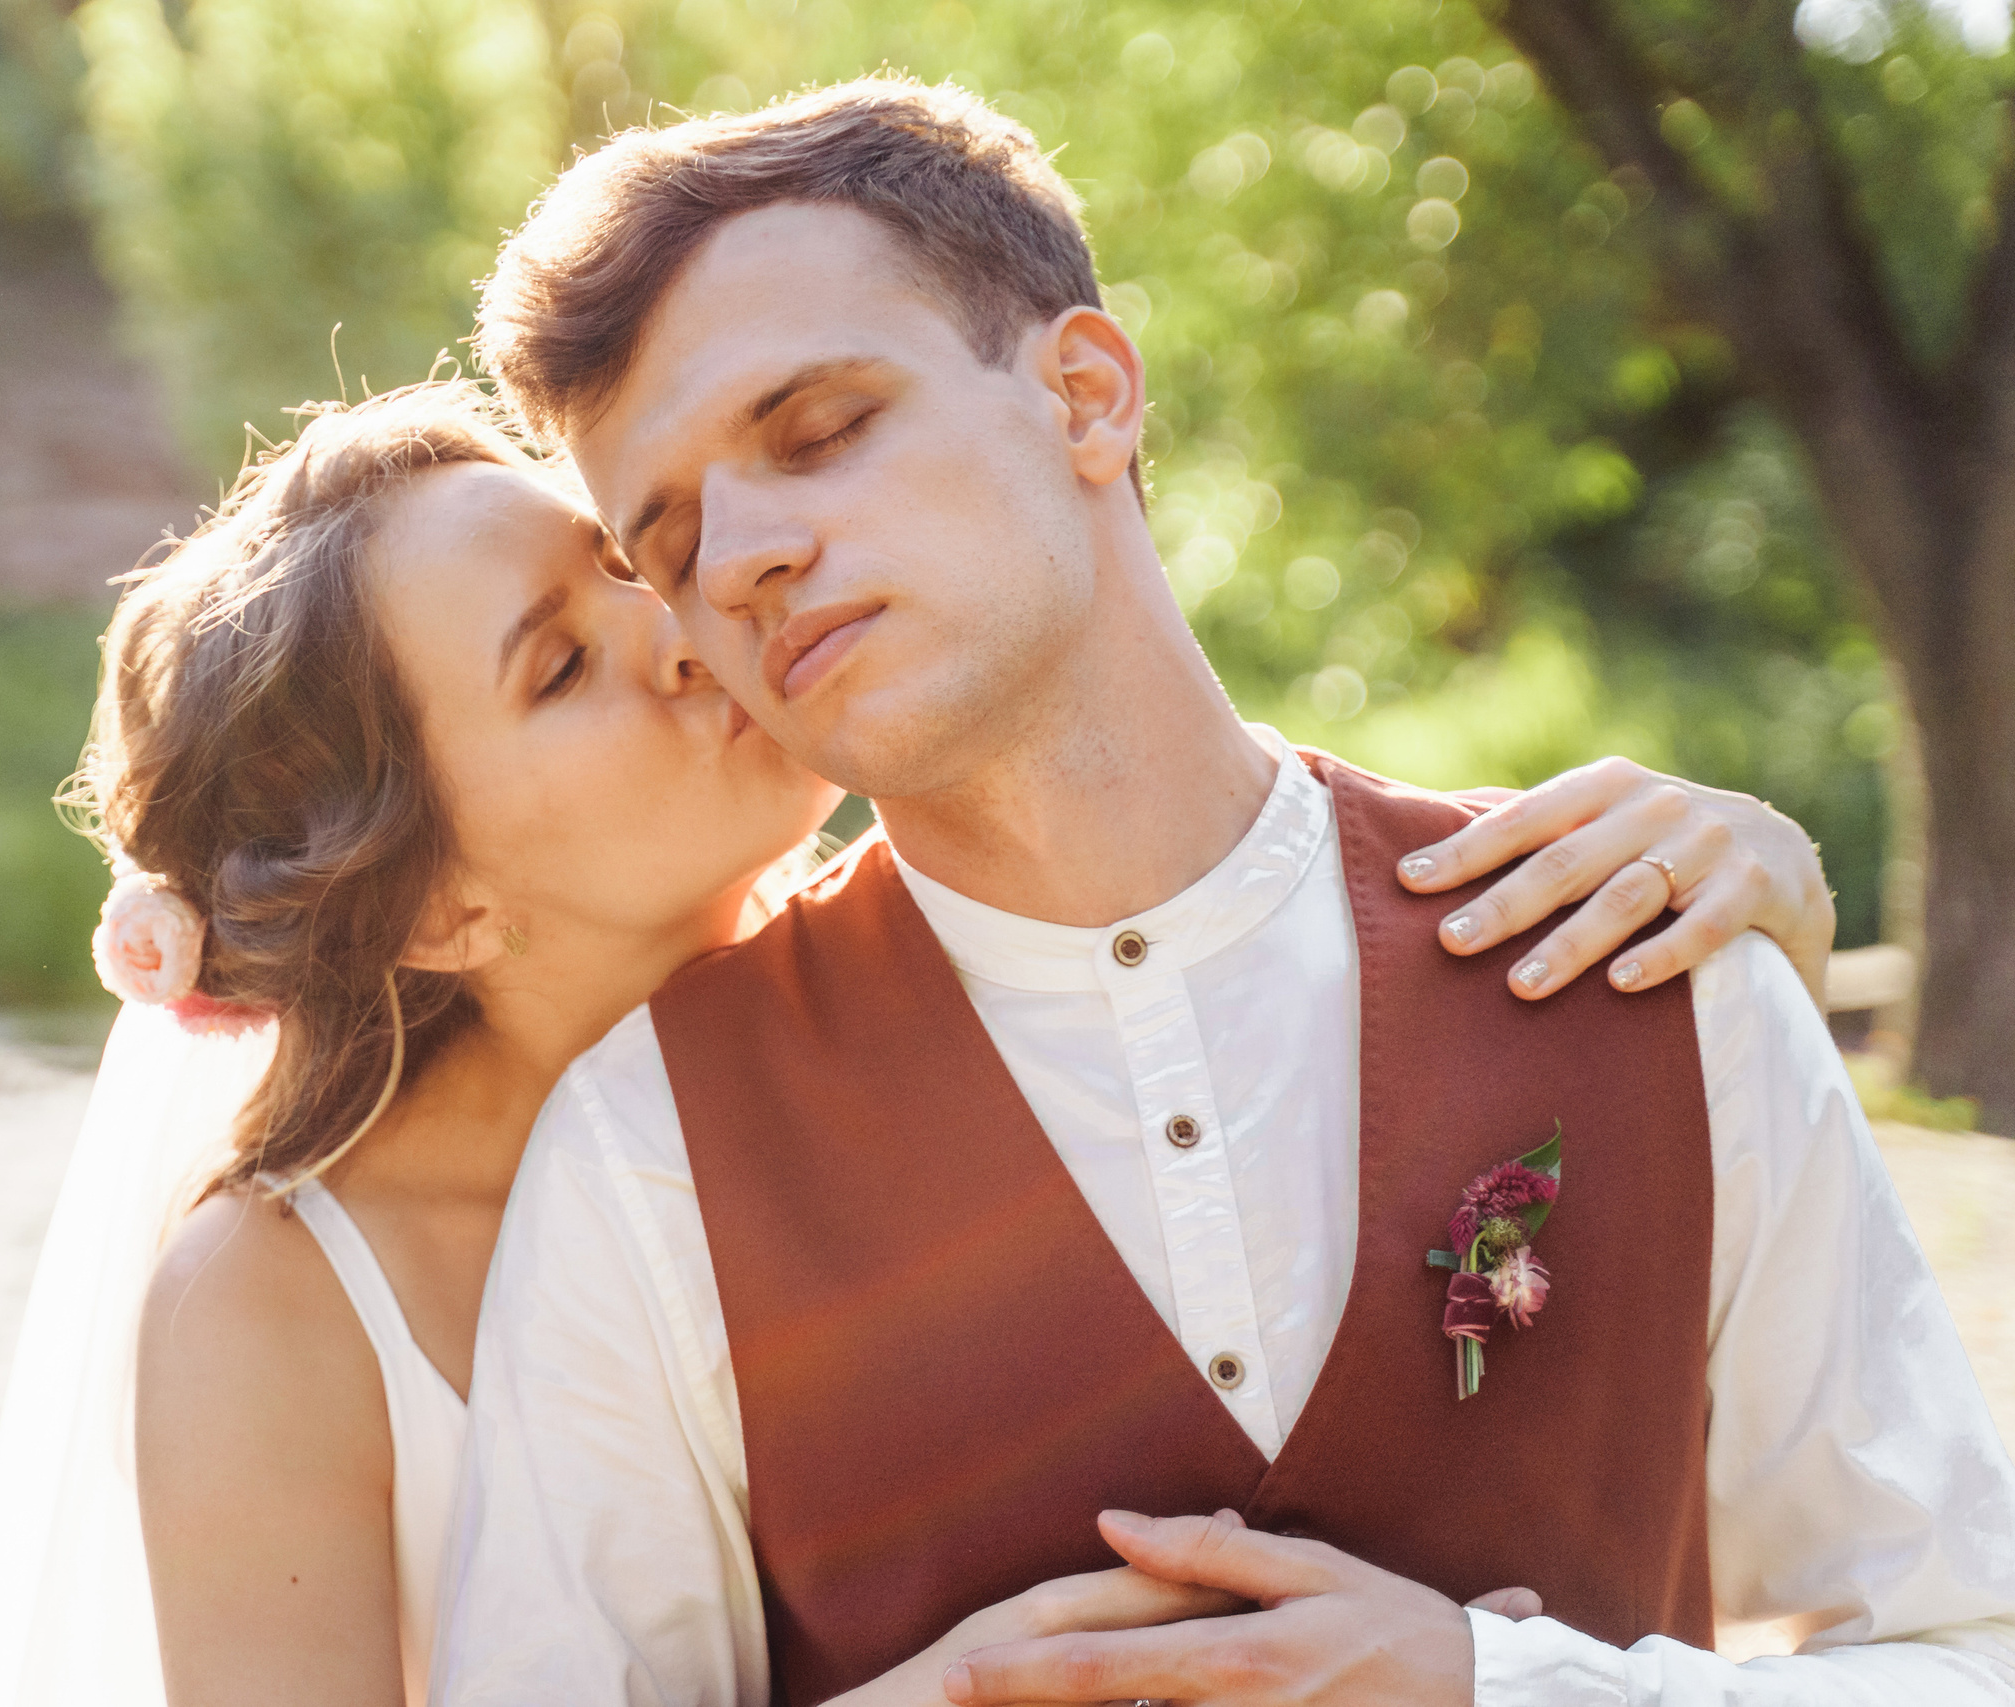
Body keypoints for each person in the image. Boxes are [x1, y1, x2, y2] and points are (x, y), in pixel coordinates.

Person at [431, 79, 2015, 1707]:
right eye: (674, 536)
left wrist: (1507, 1689)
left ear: (1086, 395)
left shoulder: (1642, 955)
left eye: (819, 428)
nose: (745, 554)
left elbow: (1972, 1654)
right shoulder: (651, 1153)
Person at [0, 375, 1842, 1707]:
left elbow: (1229, 843)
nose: (685, 629)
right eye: (561, 665)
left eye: (628, 565)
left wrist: (1733, 866)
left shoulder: (947, 974)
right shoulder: (283, 1301)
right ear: (444, 904)